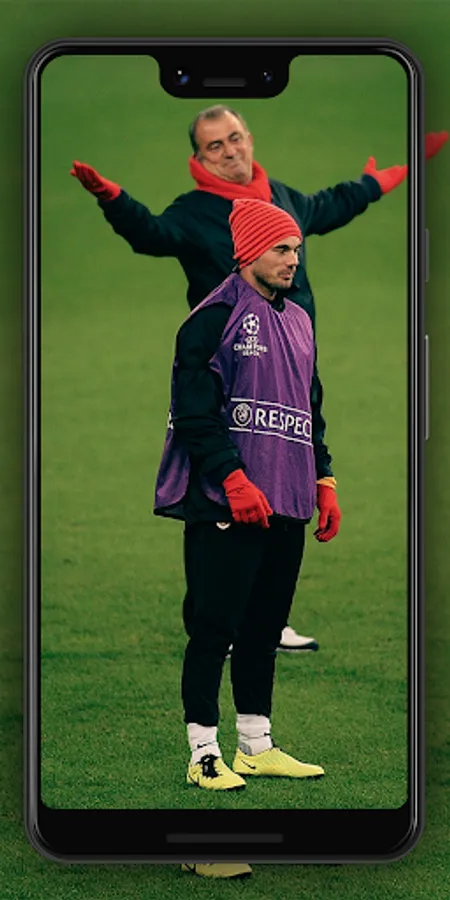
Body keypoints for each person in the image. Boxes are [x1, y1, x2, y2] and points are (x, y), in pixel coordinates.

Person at [70, 110, 448, 657]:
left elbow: (330, 205)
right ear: (199, 159)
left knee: (279, 482)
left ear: (250, 140)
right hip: (230, 373)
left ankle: (267, 620)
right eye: (215, 146)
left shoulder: (281, 200)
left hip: (291, 363)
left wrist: (384, 178)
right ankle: (211, 622)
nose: (229, 151)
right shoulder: (195, 212)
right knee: (219, 491)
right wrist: (111, 197)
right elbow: (151, 233)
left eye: (235, 138)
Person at [153, 198, 340, 790]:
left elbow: (310, 407)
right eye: (281, 249)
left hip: (287, 497)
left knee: (264, 628)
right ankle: (204, 753)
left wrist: (324, 479)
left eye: (297, 250)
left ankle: (256, 745)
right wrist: (233, 478)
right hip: (225, 503)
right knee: (214, 629)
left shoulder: (300, 319)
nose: (293, 260)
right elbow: (194, 412)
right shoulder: (213, 317)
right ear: (249, 252)